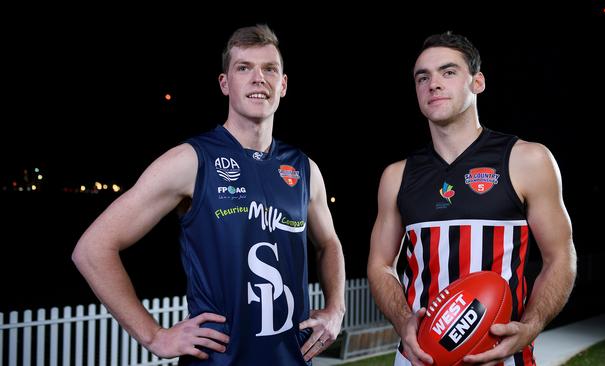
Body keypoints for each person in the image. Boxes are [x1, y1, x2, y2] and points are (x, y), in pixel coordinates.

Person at [72, 24, 345, 365]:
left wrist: (336, 309)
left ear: (283, 85)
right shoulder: (191, 161)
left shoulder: (304, 169)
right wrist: (155, 336)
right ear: (225, 83)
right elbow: (93, 249)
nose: (258, 78)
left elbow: (329, 242)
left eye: (270, 69)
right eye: (244, 68)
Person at [367, 31, 576, 366]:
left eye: (448, 72)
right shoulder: (396, 176)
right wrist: (405, 321)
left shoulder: (527, 160)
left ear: (477, 82)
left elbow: (560, 256)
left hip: (501, 357)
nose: (433, 84)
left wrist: (530, 326)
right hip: (419, 357)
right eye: (423, 77)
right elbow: (379, 265)